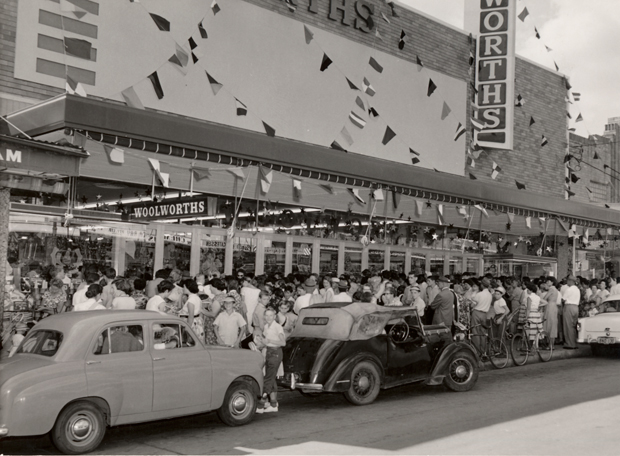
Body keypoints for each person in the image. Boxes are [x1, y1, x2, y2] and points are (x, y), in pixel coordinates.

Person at [255, 308, 285, 414]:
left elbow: (283, 342)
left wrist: (269, 341)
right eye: (266, 315)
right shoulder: (267, 327)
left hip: (276, 353)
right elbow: (266, 342)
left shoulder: (277, 327)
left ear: (274, 316)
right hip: (269, 352)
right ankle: (273, 404)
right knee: (271, 378)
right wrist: (261, 343)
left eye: (270, 315)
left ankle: (260, 404)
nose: (268, 318)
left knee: (268, 379)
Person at [561, 275, 581, 349]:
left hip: (569, 307)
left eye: (568, 280)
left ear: (570, 281)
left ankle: (569, 344)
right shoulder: (577, 289)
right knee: (573, 326)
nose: (567, 282)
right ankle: (574, 343)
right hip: (576, 307)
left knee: (568, 326)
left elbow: (563, 299)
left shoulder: (569, 289)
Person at [542, 277, 559, 349]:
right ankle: (552, 344)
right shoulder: (555, 289)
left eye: (548, 281)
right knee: (553, 324)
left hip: (550, 306)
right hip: (554, 306)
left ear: (552, 282)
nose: (547, 283)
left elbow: (545, 298)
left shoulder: (551, 289)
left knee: (549, 324)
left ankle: (550, 345)